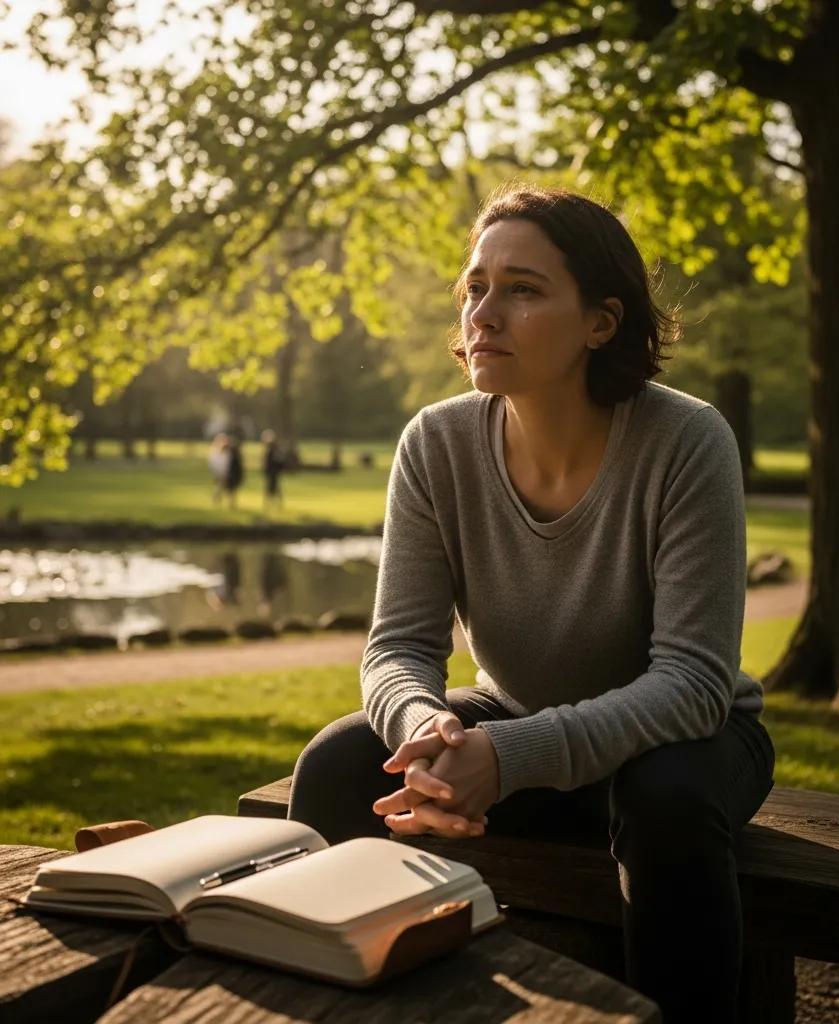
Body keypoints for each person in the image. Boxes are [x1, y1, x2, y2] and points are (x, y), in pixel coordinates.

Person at [287, 185, 775, 1023]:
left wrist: (506, 757)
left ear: (601, 322)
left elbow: (693, 685)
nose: (483, 314)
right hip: (513, 716)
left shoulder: (688, 442)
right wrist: (425, 731)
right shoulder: (435, 444)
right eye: (475, 287)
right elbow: (398, 647)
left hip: (687, 742)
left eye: (522, 290)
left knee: (665, 801)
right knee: (339, 763)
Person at [261, 429, 286, 511]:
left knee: (275, 488)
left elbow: (278, 461)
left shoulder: (274, 450)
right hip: (269, 472)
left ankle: (275, 504)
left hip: (274, 472)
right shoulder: (269, 450)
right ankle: (268, 504)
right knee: (270, 488)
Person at [207, 433, 230, 506]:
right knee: (219, 485)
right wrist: (217, 472)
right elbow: (212, 463)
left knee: (222, 486)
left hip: (224, 472)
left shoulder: (227, 452)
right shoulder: (214, 452)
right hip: (218, 472)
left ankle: (221, 498)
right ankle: (217, 498)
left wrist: (226, 472)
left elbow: (227, 463)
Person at [223, 435, 244, 509]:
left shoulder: (233, 455)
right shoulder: (233, 455)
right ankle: (231, 502)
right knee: (232, 489)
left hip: (233, 474)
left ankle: (232, 502)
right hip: (232, 474)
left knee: (232, 489)